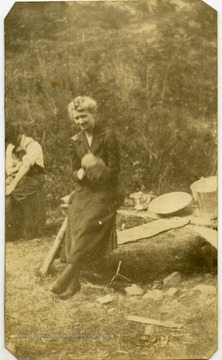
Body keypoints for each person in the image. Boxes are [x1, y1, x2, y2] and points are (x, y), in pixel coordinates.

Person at [51, 96, 123, 300]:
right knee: (74, 217)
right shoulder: (75, 140)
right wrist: (79, 174)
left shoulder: (108, 136)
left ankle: (69, 275)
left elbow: (115, 171)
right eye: (76, 119)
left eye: (84, 116)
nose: (81, 122)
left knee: (89, 221)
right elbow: (74, 171)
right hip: (85, 190)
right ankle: (73, 283)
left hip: (108, 190)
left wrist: (97, 165)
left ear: (94, 114)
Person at [5, 123, 46, 240]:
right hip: (18, 176)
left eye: (13, 139)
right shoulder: (11, 147)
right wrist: (16, 168)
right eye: (9, 141)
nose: (12, 143)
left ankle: (23, 229)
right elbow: (8, 170)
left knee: (13, 193)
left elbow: (26, 167)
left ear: (19, 134)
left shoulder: (33, 146)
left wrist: (12, 185)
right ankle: (8, 231)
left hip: (35, 178)